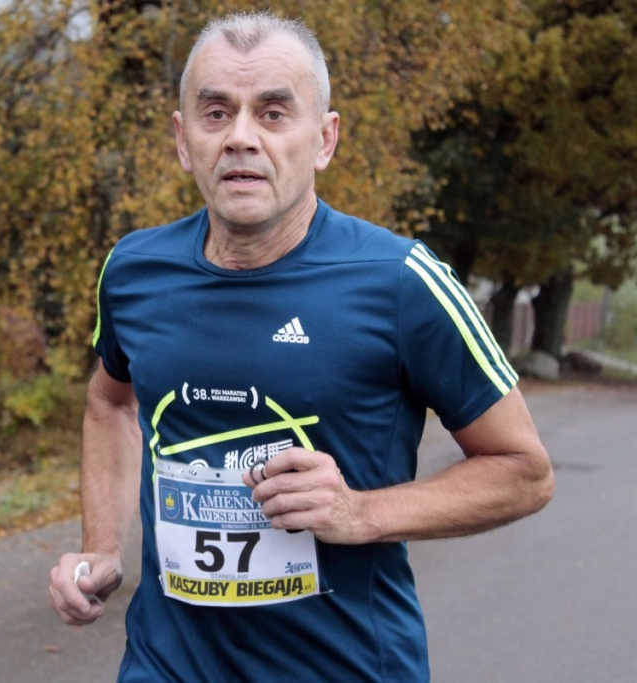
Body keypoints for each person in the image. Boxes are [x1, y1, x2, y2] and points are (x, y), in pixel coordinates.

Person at [48, 10, 554, 682]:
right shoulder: (135, 271)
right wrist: (103, 546)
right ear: (183, 139)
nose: (241, 138)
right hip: (164, 665)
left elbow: (524, 470)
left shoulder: (401, 281)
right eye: (216, 113)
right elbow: (111, 402)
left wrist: (361, 511)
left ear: (324, 138)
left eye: (273, 113)